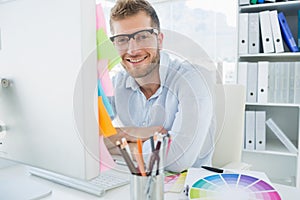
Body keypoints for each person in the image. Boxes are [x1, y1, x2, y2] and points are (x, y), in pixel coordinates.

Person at [105, 0, 215, 173]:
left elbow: (178, 160)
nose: (132, 50)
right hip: (135, 179)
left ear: (160, 40)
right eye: (122, 40)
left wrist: (121, 141)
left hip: (185, 187)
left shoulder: (192, 80)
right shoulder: (117, 83)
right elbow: (90, 138)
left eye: (142, 37)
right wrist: (133, 132)